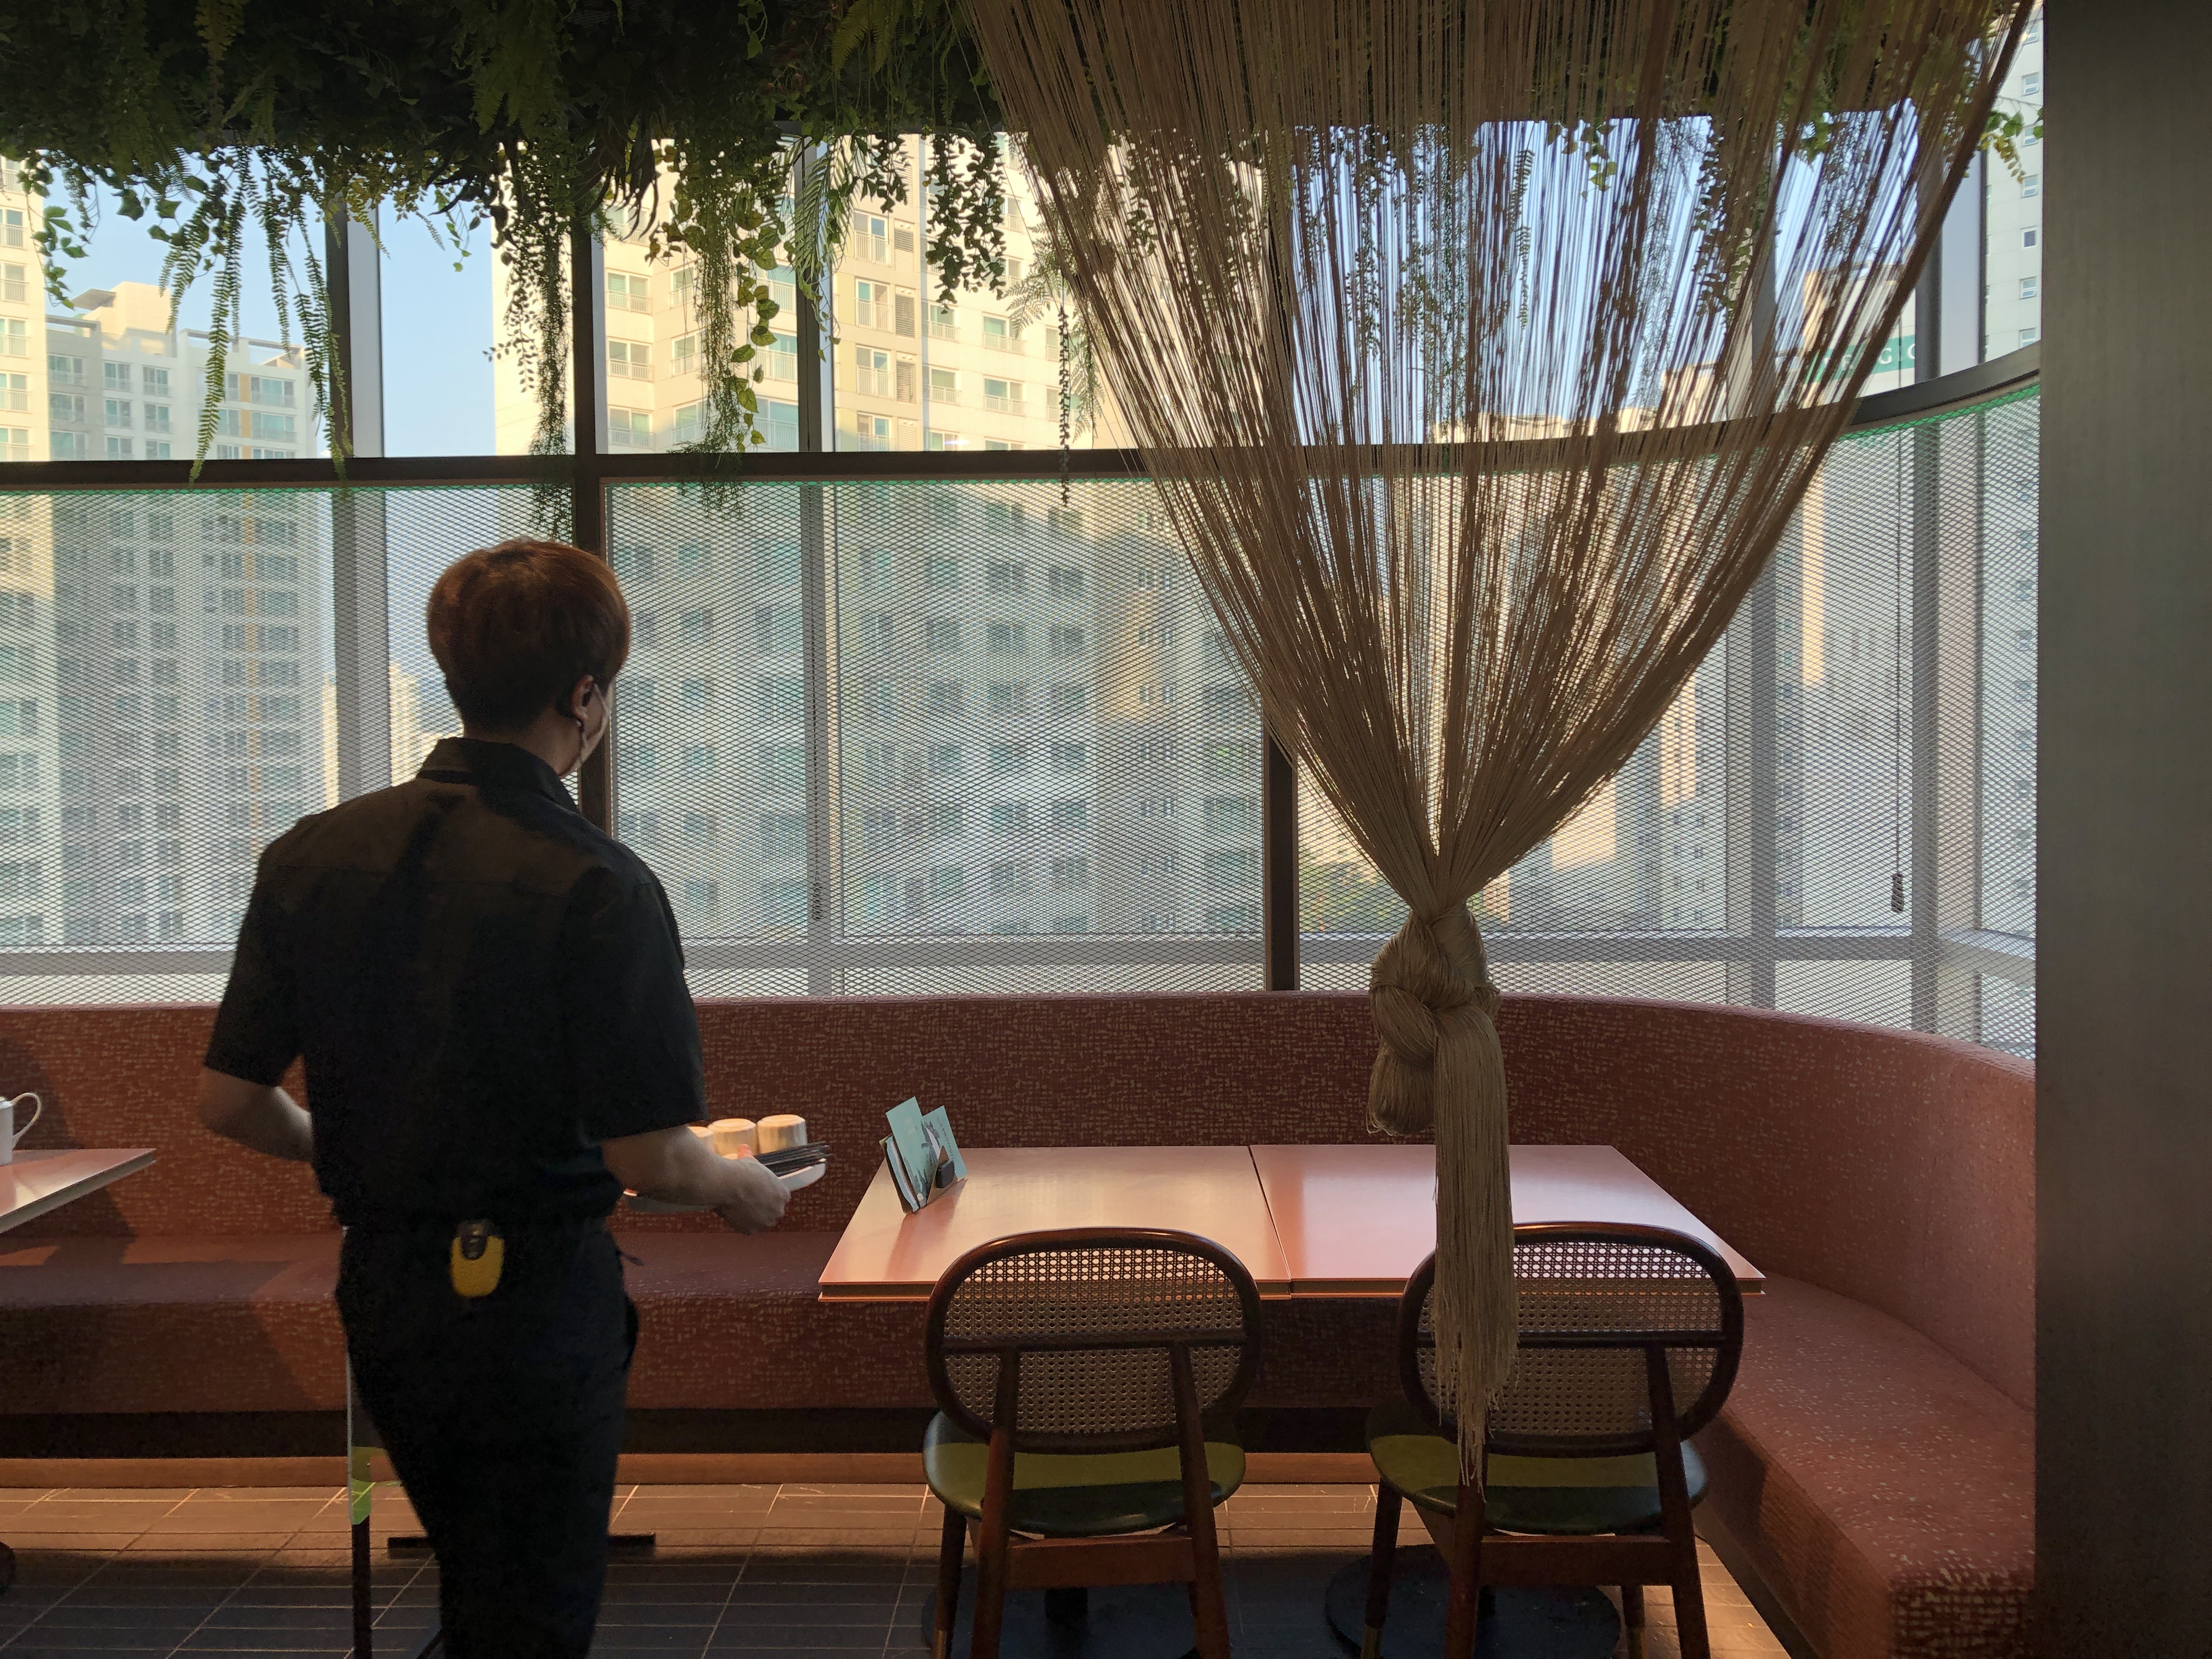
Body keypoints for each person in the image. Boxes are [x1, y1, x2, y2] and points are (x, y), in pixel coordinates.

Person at [195, 538, 788, 1657]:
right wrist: (740, 1186)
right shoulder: (601, 885)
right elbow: (652, 1159)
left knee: (482, 1584)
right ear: (584, 697)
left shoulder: (308, 858)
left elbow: (229, 1101)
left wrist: (350, 1137)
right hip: (535, 1311)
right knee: (531, 1617)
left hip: (386, 1295)